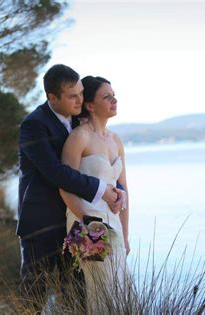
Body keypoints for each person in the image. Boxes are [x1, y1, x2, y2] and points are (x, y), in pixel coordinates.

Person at [16, 64, 126, 312]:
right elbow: (55, 172)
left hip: (76, 222)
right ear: (52, 97)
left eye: (80, 93)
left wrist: (115, 191)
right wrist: (101, 189)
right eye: (72, 96)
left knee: (79, 295)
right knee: (34, 297)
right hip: (42, 225)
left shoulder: (78, 118)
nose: (80, 100)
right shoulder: (33, 125)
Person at [59, 75, 130, 313]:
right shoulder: (79, 138)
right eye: (107, 97)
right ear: (90, 105)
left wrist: (126, 235)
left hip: (115, 224)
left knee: (120, 289)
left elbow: (124, 189)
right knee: (100, 289)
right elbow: (65, 185)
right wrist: (87, 225)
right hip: (86, 220)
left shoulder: (116, 141)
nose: (114, 100)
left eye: (114, 95)